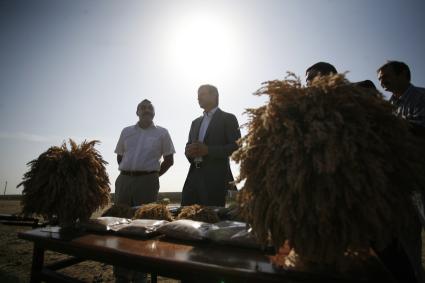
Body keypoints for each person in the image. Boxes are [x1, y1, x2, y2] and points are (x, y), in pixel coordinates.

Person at [114, 99, 175, 283]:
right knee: (120, 225)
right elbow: (120, 156)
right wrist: (129, 173)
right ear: (137, 112)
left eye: (150, 108)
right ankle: (121, 274)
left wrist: (152, 176)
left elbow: (169, 160)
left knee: (143, 226)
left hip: (148, 181)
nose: (146, 110)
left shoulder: (162, 133)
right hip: (124, 180)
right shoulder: (126, 131)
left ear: (154, 113)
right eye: (143, 107)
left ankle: (141, 275)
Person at [181, 84, 241, 207]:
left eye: (202, 94)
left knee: (211, 221)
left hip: (216, 179)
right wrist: (189, 151)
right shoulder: (195, 122)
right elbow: (188, 146)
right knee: (185, 216)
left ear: (214, 96)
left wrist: (208, 150)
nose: (198, 98)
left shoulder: (228, 118)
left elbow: (236, 147)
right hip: (193, 177)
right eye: (197, 95)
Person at [378, 60, 425, 135]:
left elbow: (421, 129)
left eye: (385, 76)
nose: (381, 82)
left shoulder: (421, 96)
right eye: (379, 79)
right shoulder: (389, 105)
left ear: (403, 74)